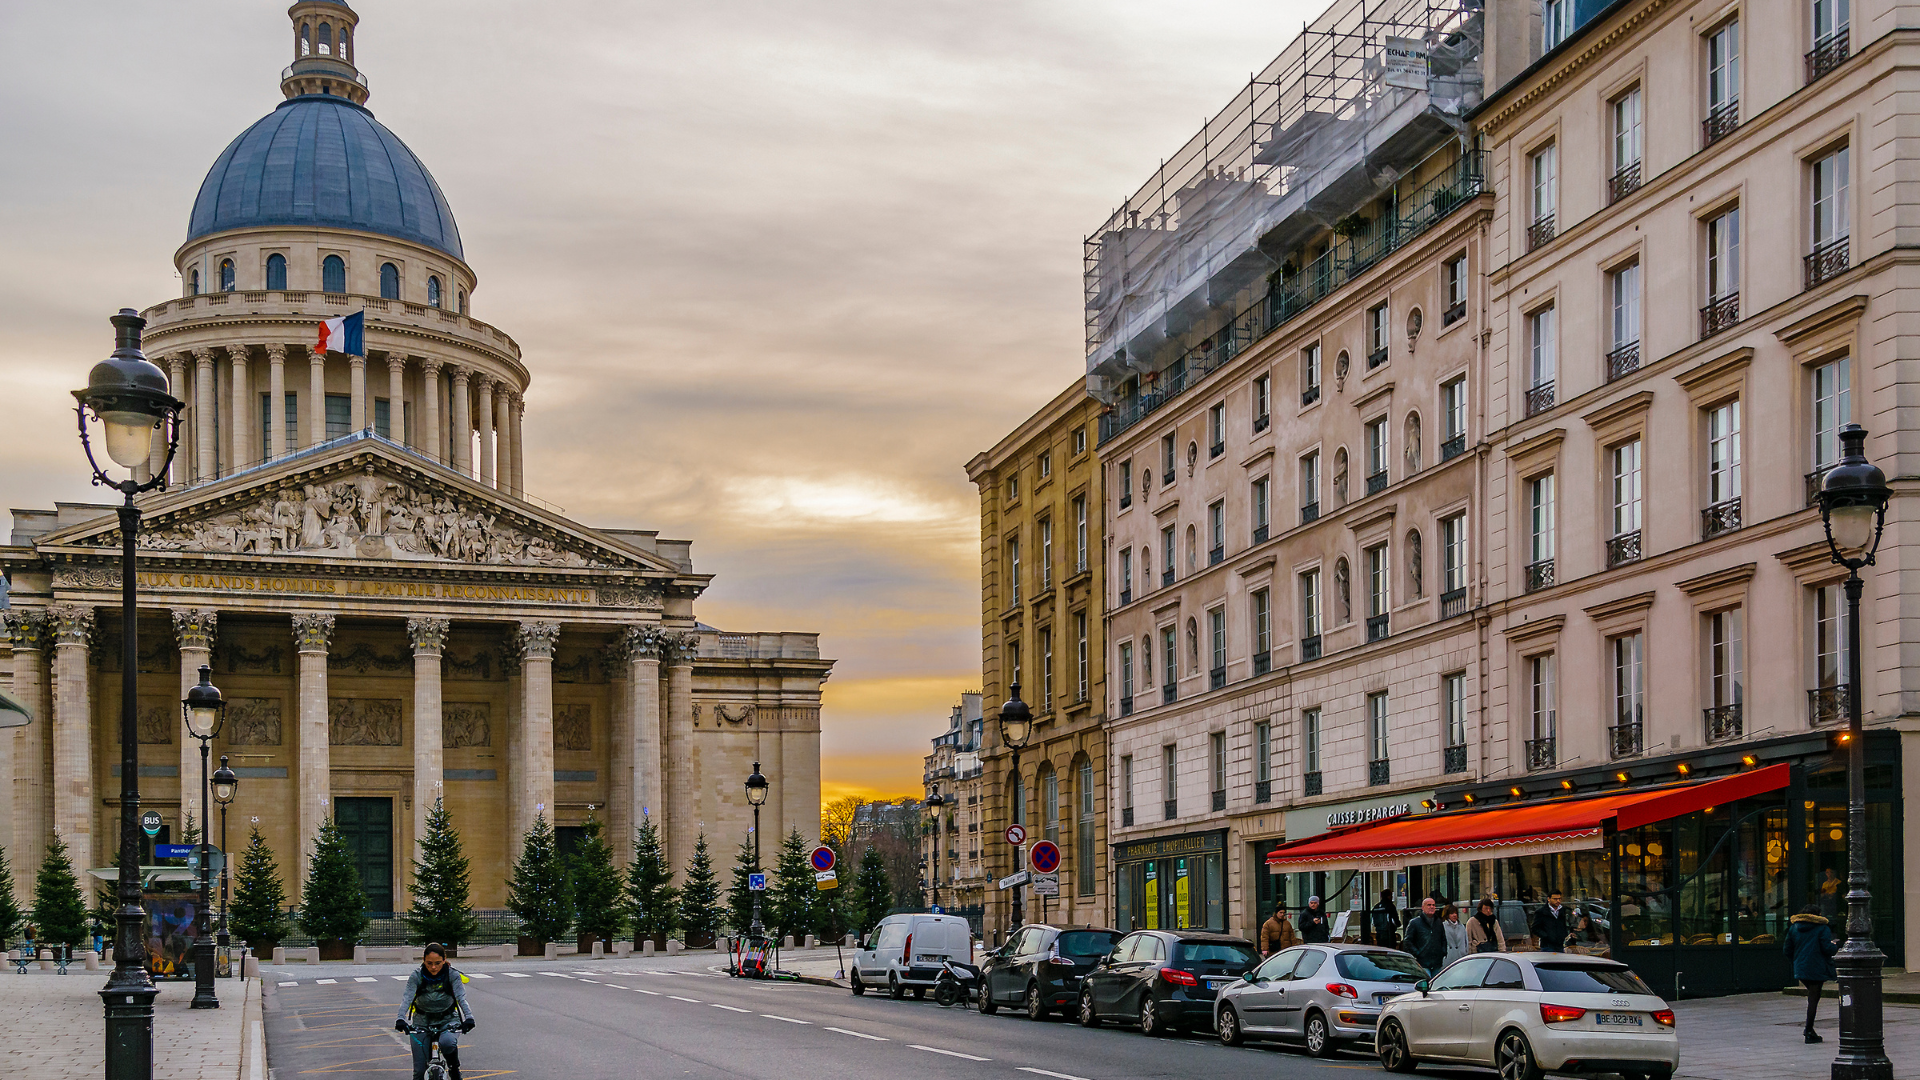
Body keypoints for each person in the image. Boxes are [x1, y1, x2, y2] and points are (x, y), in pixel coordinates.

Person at [396, 943, 476, 1080]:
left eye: (438, 963)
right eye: (429, 963)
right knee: (419, 1072)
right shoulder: (416, 976)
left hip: (448, 1019)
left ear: (444, 960)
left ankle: (454, 1068)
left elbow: (461, 998)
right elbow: (407, 998)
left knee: (448, 1043)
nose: (433, 967)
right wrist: (400, 1018)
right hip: (422, 1021)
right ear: (423, 960)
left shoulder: (452, 975)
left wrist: (469, 1017)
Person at [1784, 904, 1840, 1043]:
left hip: (1801, 967)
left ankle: (1809, 1030)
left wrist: (1797, 960)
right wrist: (1834, 945)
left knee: (1813, 996)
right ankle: (1809, 1030)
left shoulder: (1794, 928)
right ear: (1818, 915)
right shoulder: (1822, 928)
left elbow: (1787, 949)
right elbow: (1827, 949)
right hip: (1816, 967)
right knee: (1813, 999)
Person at [1402, 897, 1448, 975]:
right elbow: (1408, 941)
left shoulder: (1438, 922)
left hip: (1437, 962)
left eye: (1433, 905)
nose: (1432, 907)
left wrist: (1443, 951)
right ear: (1423, 907)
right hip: (1422, 962)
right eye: (1429, 905)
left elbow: (1443, 938)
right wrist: (1417, 953)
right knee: (1426, 984)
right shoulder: (1415, 923)